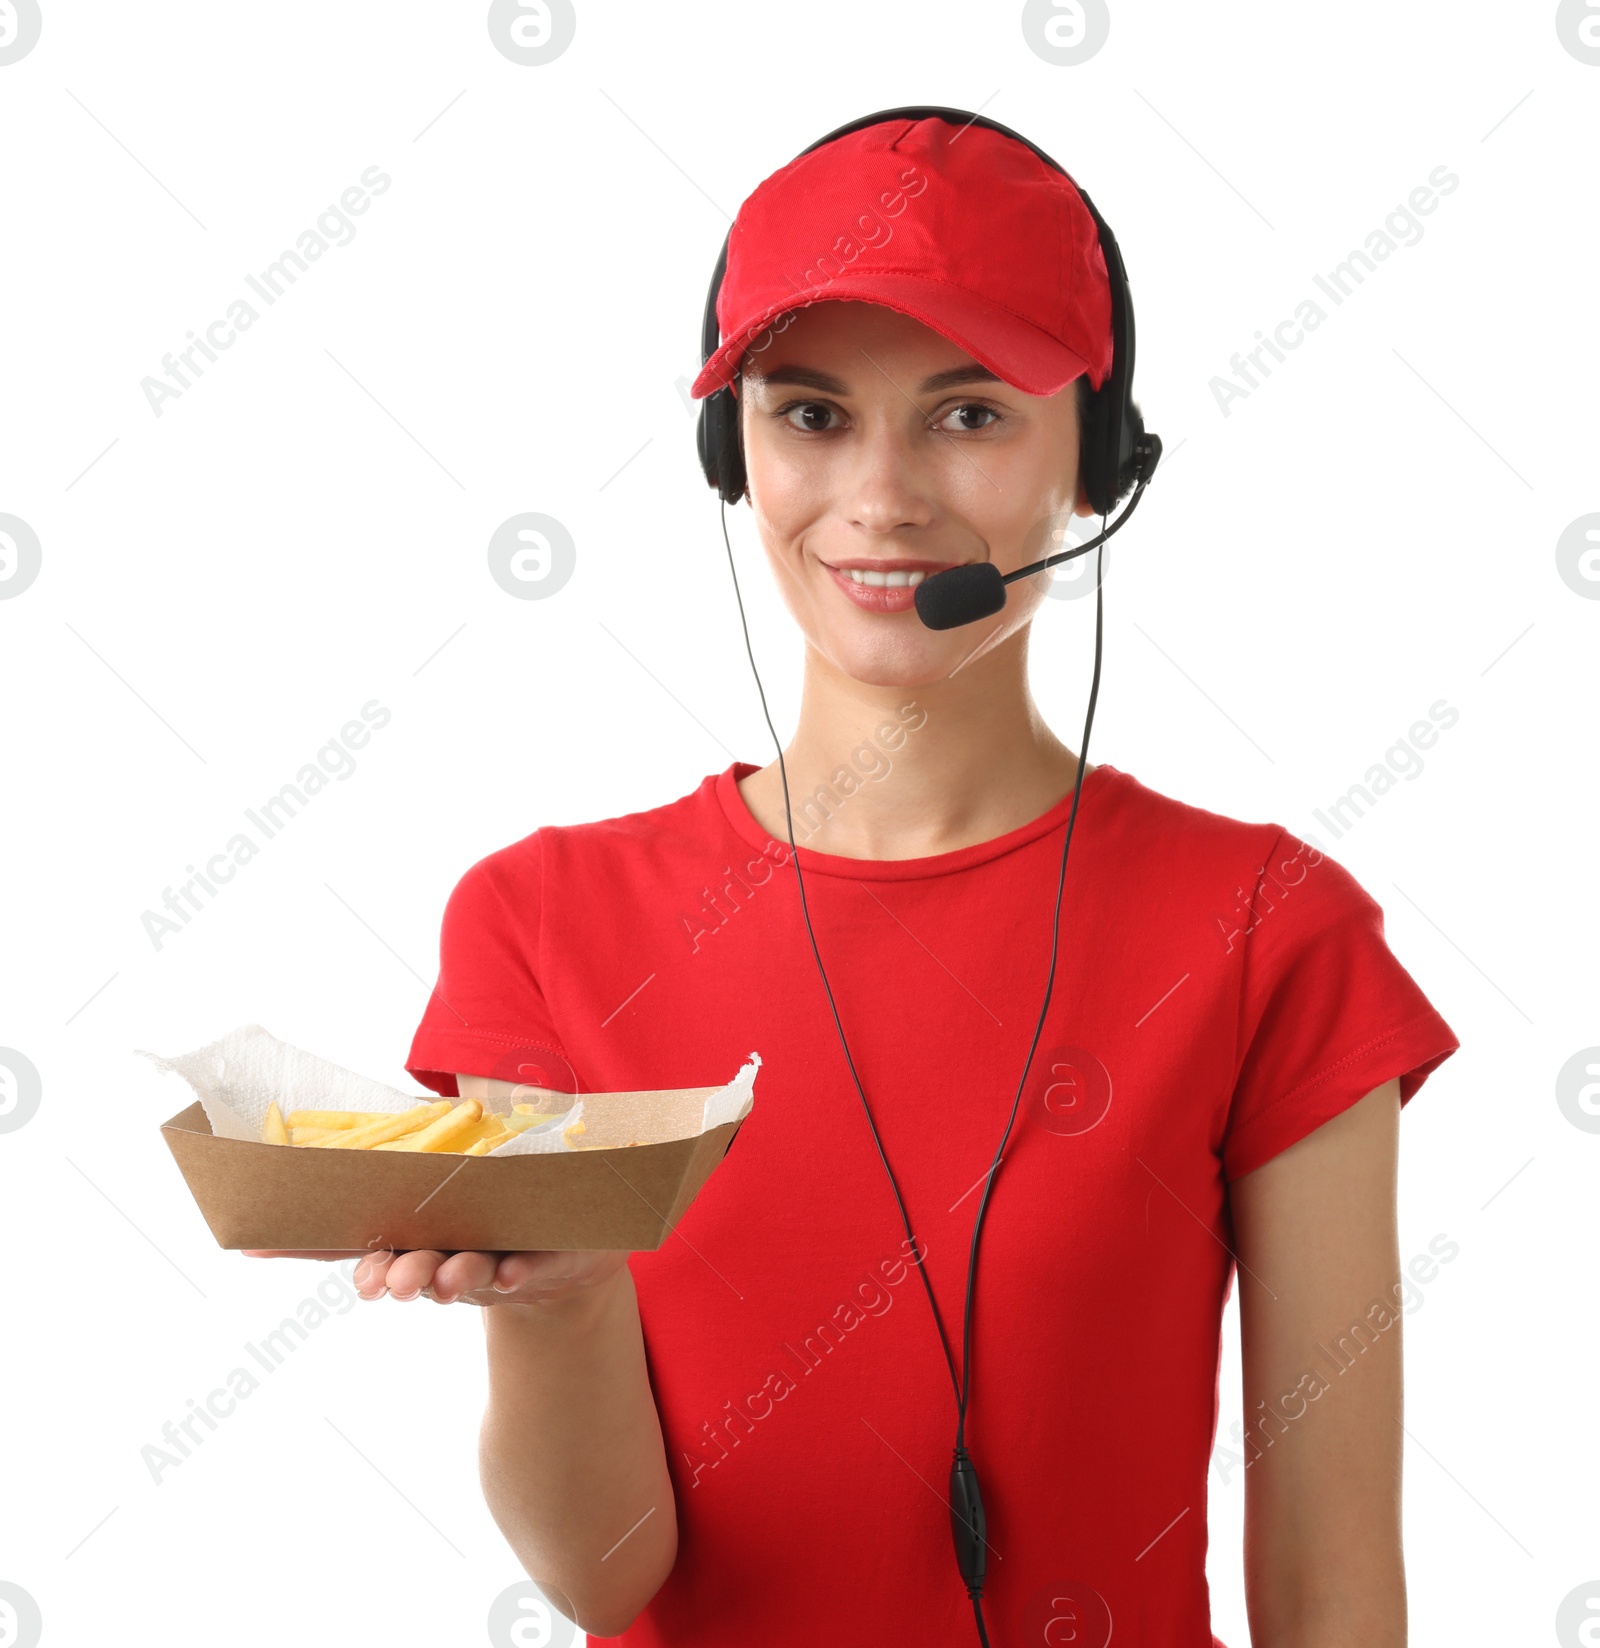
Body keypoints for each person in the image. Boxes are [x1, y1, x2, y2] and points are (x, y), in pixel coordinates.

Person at [248, 114, 1459, 1647]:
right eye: (811, 416)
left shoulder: (1270, 933)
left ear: (1100, 457)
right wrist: (560, 1301)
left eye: (967, 418)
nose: (879, 499)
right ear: (729, 454)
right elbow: (602, 1578)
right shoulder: (549, 924)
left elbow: (1334, 1589)